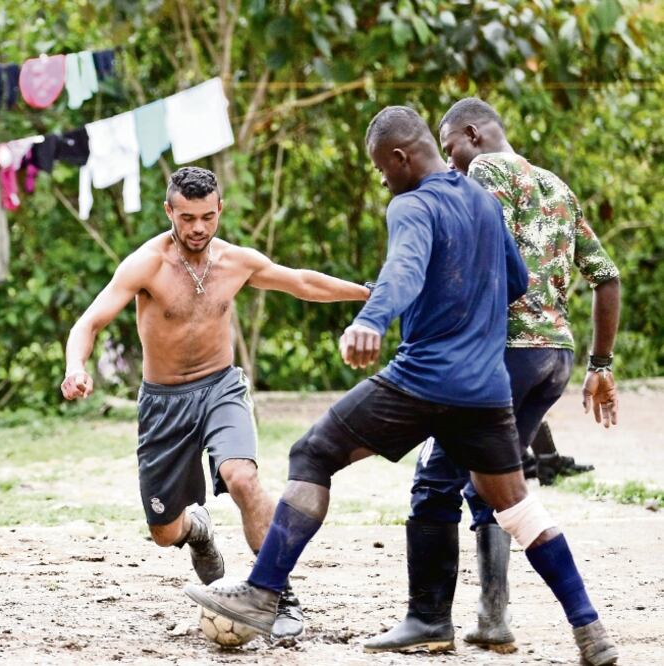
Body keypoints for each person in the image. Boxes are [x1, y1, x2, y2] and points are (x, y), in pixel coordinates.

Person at [184, 106, 619, 666]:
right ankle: (590, 630)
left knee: (312, 451)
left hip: (421, 380)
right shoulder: (484, 204)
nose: (382, 180)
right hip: (486, 391)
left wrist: (372, 319)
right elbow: (513, 279)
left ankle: (264, 593)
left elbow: (404, 271)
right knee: (514, 506)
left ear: (400, 157)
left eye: (380, 169)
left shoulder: (411, 203)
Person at [60, 166, 369, 640]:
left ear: (219, 209)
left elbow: (302, 283)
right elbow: (89, 322)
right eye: (187, 218)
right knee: (163, 531)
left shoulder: (235, 262)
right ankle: (196, 530)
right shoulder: (145, 264)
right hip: (164, 403)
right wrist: (75, 367)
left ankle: (277, 592)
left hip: (221, 387)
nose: (198, 228)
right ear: (169, 212)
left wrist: (370, 294)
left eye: (207, 216)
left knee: (243, 478)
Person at [363, 97, 622, 655]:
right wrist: (601, 365)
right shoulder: (556, 185)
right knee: (493, 479)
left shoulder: (476, 175)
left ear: (473, 135)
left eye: (449, 144)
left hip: (499, 355)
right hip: (555, 356)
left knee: (435, 480)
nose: (447, 161)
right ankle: (494, 617)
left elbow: (488, 263)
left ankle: (429, 619)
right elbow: (606, 276)